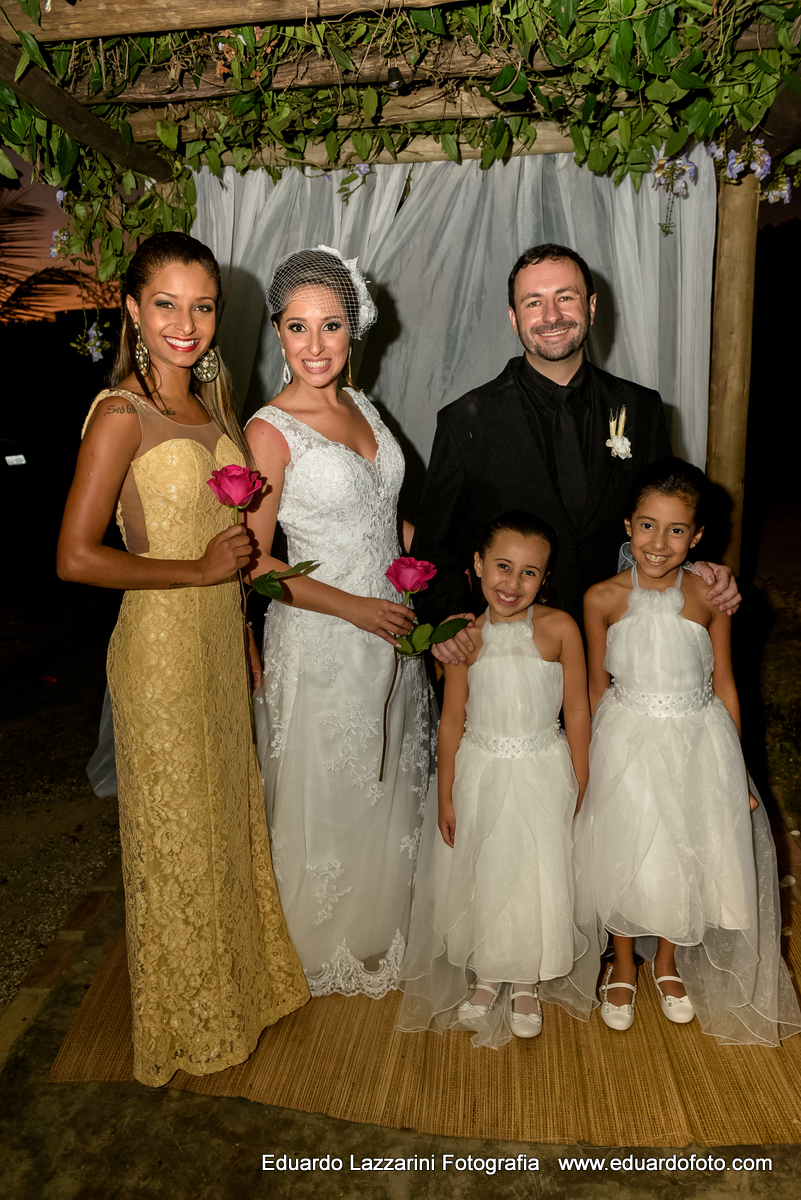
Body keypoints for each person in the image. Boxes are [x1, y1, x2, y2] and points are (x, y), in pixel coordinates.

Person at [57, 232, 308, 1087]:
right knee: (178, 845)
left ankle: (241, 989)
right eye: (165, 303)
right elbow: (75, 557)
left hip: (212, 643)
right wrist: (195, 570)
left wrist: (239, 629)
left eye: (202, 306)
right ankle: (189, 1023)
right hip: (159, 656)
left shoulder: (214, 409)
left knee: (226, 825)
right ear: (130, 309)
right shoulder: (119, 415)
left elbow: (229, 547)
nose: (185, 323)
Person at [246, 246, 432, 998]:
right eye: (297, 327)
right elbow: (256, 564)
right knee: (331, 787)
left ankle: (383, 922)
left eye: (329, 326)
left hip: (394, 628)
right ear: (278, 334)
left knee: (390, 773)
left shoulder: (366, 409)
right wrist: (355, 609)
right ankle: (322, 938)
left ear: (353, 331)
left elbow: (383, 520)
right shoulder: (269, 431)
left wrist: (440, 560)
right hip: (323, 637)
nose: (314, 345)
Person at [411, 243, 740, 659]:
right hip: (513, 650)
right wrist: (449, 615)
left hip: (626, 645)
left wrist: (699, 566)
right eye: (534, 302)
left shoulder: (643, 408)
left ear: (592, 306)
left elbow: (670, 515)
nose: (552, 316)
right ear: (514, 318)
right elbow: (433, 547)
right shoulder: (464, 421)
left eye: (565, 297)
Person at [574, 458, 801, 1044]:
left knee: (683, 847)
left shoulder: (706, 596)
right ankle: (624, 962)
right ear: (627, 525)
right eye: (647, 525)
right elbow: (598, 685)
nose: (659, 543)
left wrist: (738, 771)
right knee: (626, 847)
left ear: (697, 537)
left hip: (697, 738)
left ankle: (668, 962)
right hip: (626, 734)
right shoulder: (601, 597)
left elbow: (724, 682)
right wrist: (596, 759)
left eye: (677, 531)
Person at [397, 512, 598, 1048]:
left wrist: (580, 774)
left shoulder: (560, 630)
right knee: (487, 867)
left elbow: (576, 707)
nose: (513, 584)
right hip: (481, 769)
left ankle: (527, 977)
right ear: (478, 566)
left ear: (546, 578)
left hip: (542, 767)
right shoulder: (464, 636)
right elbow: (454, 720)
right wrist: (446, 792)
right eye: (503, 568)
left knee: (535, 870)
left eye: (530, 573)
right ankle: (487, 972)